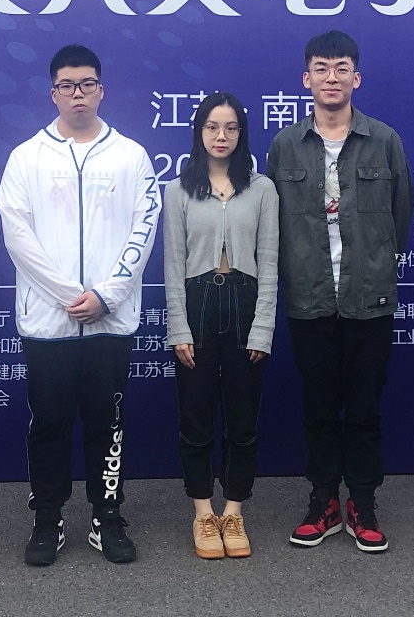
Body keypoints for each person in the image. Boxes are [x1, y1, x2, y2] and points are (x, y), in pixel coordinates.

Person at [0, 44, 160, 566]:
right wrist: (70, 296)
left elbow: (144, 228)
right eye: (67, 86)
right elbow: (17, 236)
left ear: (101, 90)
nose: (78, 94)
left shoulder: (130, 155)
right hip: (49, 323)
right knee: (48, 424)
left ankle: (106, 517)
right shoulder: (27, 157)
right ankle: (47, 519)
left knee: (107, 424)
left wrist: (107, 296)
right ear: (53, 93)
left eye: (87, 84)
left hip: (111, 322)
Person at [267, 30, 413, 553]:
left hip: (368, 298)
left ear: (357, 77)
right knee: (319, 407)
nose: (332, 78)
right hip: (309, 297)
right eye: (322, 69)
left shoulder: (385, 140)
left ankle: (364, 504)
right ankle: (324, 501)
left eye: (341, 68)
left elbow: (400, 216)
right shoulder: (285, 145)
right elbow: (272, 222)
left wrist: (374, 266)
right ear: (306, 79)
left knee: (365, 408)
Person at [164, 92, 279, 560]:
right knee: (195, 418)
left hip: (245, 305)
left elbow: (269, 262)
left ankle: (233, 510)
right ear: (199, 132)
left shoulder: (262, 189)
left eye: (231, 128)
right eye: (212, 127)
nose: (221, 136)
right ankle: (202, 512)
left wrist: (263, 326)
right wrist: (178, 327)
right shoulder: (178, 190)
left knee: (242, 420)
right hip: (197, 304)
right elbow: (173, 264)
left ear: (241, 134)